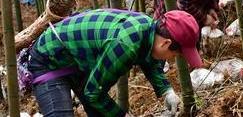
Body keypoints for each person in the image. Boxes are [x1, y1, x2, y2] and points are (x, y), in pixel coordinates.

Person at [28, 9, 202, 116]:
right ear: (166, 43)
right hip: (49, 58)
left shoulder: (149, 29)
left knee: (101, 113)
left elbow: (149, 61)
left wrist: (167, 91)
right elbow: (93, 93)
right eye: (176, 55)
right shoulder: (126, 45)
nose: (173, 60)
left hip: (80, 60)